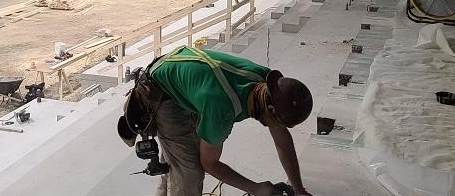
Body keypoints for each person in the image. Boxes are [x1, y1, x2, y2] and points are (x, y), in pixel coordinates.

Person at [120, 45, 314, 196]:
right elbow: (210, 164)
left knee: (180, 158)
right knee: (190, 171)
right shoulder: (221, 112)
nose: (278, 128)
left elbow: (282, 141)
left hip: (186, 75)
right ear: (270, 110)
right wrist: (255, 188)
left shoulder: (268, 83)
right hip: (162, 92)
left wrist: (298, 190)